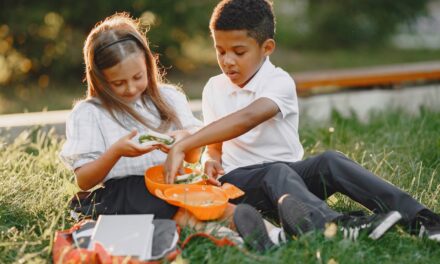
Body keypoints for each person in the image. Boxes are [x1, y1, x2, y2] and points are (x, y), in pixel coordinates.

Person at [163, 0, 440, 250]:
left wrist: (187, 142)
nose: (227, 61)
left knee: (331, 160)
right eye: (220, 50)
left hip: (293, 183)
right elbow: (216, 144)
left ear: (266, 48)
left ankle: (422, 220)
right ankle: (336, 225)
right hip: (239, 184)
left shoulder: (279, 82)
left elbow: (247, 118)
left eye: (238, 51)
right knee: (276, 171)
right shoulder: (214, 88)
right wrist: (211, 156)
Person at [58, 12, 241, 233]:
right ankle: (206, 225)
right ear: (100, 80)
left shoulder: (169, 98)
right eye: (118, 83)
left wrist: (182, 141)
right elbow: (84, 180)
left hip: (172, 184)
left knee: (205, 194)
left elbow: (192, 158)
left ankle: (259, 227)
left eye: (138, 77)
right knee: (142, 192)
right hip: (126, 191)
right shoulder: (89, 113)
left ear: (149, 65)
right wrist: (117, 151)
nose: (131, 88)